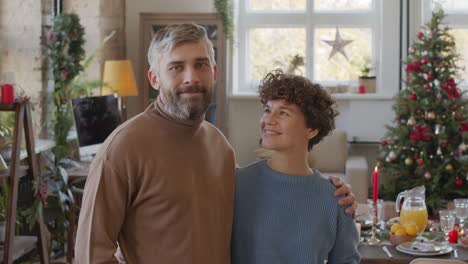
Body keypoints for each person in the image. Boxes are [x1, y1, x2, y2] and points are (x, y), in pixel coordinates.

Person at [75, 23, 356, 263]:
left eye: (200, 65)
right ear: (154, 78)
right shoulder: (123, 149)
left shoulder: (218, 145)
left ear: (214, 72)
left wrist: (330, 193)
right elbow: (91, 254)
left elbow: (263, 204)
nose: (191, 78)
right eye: (176, 67)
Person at [231, 69, 360, 264]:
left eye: (283, 112)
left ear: (312, 129)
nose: (268, 120)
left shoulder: (335, 199)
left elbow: (346, 260)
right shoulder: (236, 184)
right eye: (267, 110)